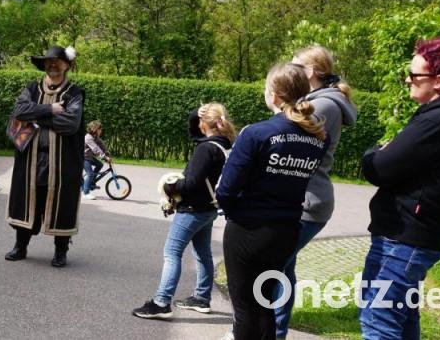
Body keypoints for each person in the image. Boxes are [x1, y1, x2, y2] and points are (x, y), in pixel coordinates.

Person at [359, 38, 440, 339]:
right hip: (421, 232)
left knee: (377, 316)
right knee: (402, 316)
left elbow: (381, 167)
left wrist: (372, 153)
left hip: (405, 234)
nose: (408, 79)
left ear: (439, 81)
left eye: (414, 75)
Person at [215, 63, 329, 340]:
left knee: (244, 310)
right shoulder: (316, 138)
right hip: (288, 228)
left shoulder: (256, 133)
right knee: (264, 304)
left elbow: (226, 190)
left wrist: (234, 214)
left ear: (274, 96)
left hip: (249, 229)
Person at [274, 45, 358, 339]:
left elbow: (285, 140)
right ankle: (275, 331)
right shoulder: (317, 101)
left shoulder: (323, 105)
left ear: (309, 72)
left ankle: (269, 330)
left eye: (294, 65)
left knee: (272, 267)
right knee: (282, 269)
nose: (289, 69)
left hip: (307, 202)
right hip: (304, 199)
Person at [133, 103, 236, 319]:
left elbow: (192, 184)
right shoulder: (222, 145)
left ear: (203, 125)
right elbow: (194, 133)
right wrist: (194, 114)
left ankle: (161, 302)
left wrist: (170, 188)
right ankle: (201, 298)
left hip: (192, 209)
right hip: (209, 208)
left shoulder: (205, 149)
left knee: (172, 253)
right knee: (202, 253)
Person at [5, 45, 85, 268]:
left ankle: (61, 252)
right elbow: (20, 112)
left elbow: (70, 124)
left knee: (61, 205)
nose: (52, 65)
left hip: (62, 162)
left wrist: (37, 117)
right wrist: (50, 110)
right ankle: (20, 247)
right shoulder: (31, 88)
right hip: (30, 159)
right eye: (49, 62)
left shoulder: (74, 93)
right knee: (29, 202)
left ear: (67, 65)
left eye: (57, 62)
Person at [83, 120, 109, 200]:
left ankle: (91, 182)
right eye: (99, 129)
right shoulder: (88, 138)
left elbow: (101, 144)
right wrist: (104, 157)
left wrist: (107, 153)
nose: (101, 131)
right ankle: (86, 193)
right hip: (84, 157)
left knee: (100, 164)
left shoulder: (95, 137)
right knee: (90, 174)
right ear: (94, 129)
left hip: (89, 157)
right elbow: (96, 149)